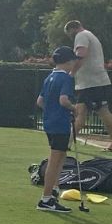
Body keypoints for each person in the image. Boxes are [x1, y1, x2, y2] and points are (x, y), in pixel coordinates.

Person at [36, 47, 80, 213]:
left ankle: (54, 188)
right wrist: (73, 108)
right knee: (55, 160)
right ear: (68, 61)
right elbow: (63, 100)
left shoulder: (49, 77)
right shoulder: (66, 79)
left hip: (50, 123)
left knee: (59, 156)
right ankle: (46, 199)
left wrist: (51, 110)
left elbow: (40, 101)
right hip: (60, 123)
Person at [64, 21, 112, 137]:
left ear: (72, 29)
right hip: (90, 83)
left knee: (100, 112)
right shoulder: (90, 35)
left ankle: (66, 142)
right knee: (83, 113)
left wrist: (71, 73)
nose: (70, 36)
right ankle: (67, 141)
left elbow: (81, 55)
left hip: (92, 83)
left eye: (69, 33)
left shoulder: (81, 36)